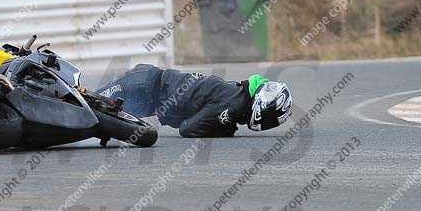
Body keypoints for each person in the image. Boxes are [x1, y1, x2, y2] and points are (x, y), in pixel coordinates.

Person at [96, 65, 292, 138]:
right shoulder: (232, 106)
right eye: (271, 119)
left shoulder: (238, 91)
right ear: (263, 106)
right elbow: (188, 129)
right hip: (143, 85)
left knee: (101, 121)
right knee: (86, 101)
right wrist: (223, 129)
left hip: (149, 94)